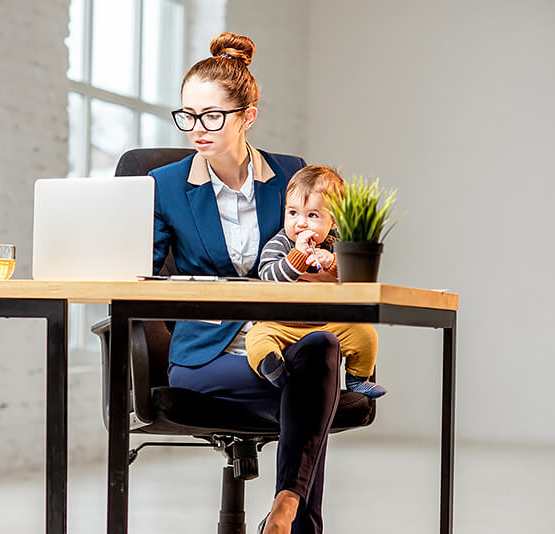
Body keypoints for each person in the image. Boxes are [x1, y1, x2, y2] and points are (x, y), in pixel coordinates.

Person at [149, 32, 376, 534]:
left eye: (212, 116)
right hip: (208, 356)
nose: (196, 129)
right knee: (311, 401)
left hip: (288, 340)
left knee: (320, 349)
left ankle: (284, 507)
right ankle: (293, 517)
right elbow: (138, 271)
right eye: (187, 115)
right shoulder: (165, 185)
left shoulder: (292, 176)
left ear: (247, 115)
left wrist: (328, 259)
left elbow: (326, 238)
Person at [246, 165, 386, 398]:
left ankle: (357, 379)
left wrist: (332, 262)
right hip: (280, 324)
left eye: (312, 215)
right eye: (292, 213)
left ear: (333, 221)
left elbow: (355, 280)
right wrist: (297, 258)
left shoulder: (336, 246)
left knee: (365, 334)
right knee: (257, 338)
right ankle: (273, 369)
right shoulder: (280, 244)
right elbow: (268, 276)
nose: (300, 223)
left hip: (327, 324)